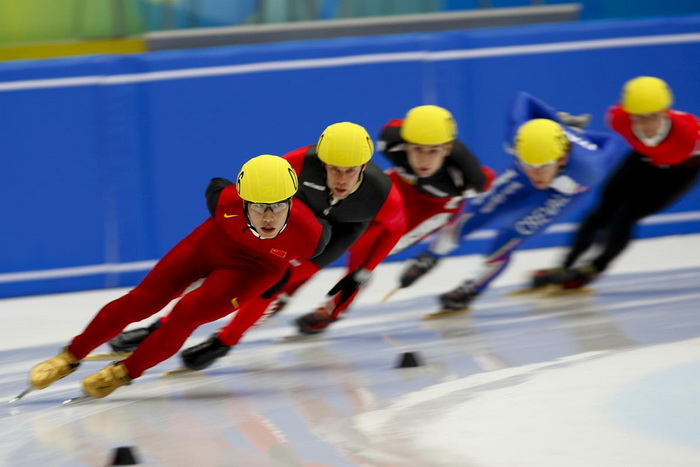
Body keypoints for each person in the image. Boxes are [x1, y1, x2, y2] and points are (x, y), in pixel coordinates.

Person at [27, 155, 331, 398]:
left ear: (292, 202)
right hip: (208, 246)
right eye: (258, 206)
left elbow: (305, 264)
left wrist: (274, 285)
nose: (267, 217)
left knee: (185, 314)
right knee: (141, 301)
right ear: (242, 200)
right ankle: (69, 356)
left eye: (277, 207)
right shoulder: (224, 201)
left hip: (254, 271)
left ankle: (124, 373)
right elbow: (215, 184)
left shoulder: (310, 236)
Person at [110, 122, 406, 369]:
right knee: (229, 270)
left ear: (365, 166)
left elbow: (396, 229)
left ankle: (225, 342)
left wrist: (363, 271)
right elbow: (258, 190)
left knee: (274, 283)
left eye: (350, 171)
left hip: (340, 230)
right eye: (334, 169)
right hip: (293, 216)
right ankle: (161, 326)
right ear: (322, 162)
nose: (340, 179)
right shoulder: (297, 163)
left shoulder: (382, 194)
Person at [398, 91, 625, 316]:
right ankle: (430, 256)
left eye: (542, 166)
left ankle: (471, 288)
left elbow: (613, 141)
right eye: (529, 164)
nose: (536, 173)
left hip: (565, 189)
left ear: (562, 158)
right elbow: (524, 98)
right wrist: (556, 122)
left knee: (510, 233)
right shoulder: (516, 136)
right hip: (522, 174)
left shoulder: (589, 168)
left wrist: (572, 132)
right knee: (477, 212)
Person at [266, 105, 494, 324]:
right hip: (399, 187)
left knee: (365, 252)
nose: (424, 160)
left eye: (433, 151)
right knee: (328, 235)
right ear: (405, 144)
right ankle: (285, 292)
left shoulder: (469, 178)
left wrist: (433, 253)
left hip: (434, 208)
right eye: (416, 149)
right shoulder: (390, 139)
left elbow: (479, 195)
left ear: (447, 149)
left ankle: (334, 307)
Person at [535, 76, 700, 289]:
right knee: (600, 212)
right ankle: (564, 265)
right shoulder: (618, 119)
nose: (646, 124)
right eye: (638, 118)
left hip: (680, 171)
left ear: (665, 112)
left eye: (653, 116)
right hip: (643, 158)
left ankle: (594, 268)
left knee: (625, 217)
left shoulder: (689, 134)